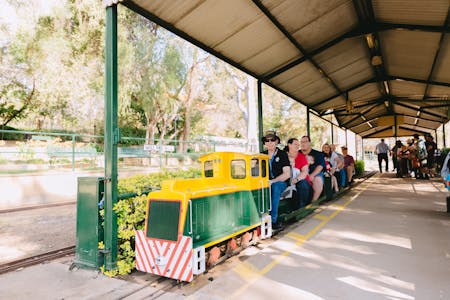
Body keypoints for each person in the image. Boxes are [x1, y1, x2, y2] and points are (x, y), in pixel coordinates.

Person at [261, 132, 290, 230]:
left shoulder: (282, 154)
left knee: (275, 187)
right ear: (264, 143)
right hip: (266, 182)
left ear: (277, 141)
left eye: (272, 140)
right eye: (267, 140)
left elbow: (287, 174)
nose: (269, 142)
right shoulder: (261, 155)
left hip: (280, 182)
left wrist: (273, 181)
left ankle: (273, 221)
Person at [284, 138, 311, 208]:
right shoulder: (283, 155)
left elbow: (305, 171)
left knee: (302, 183)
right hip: (287, 178)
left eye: (298, 145)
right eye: (295, 144)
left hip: (299, 179)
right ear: (289, 145)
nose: (298, 146)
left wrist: (296, 179)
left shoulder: (301, 156)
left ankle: (301, 207)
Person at [300, 136, 326, 201]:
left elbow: (320, 166)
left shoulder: (318, 154)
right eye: (301, 142)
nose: (303, 144)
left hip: (314, 173)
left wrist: (312, 175)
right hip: (301, 173)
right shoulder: (297, 153)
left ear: (309, 143)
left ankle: (313, 202)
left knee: (317, 179)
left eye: (305, 142)